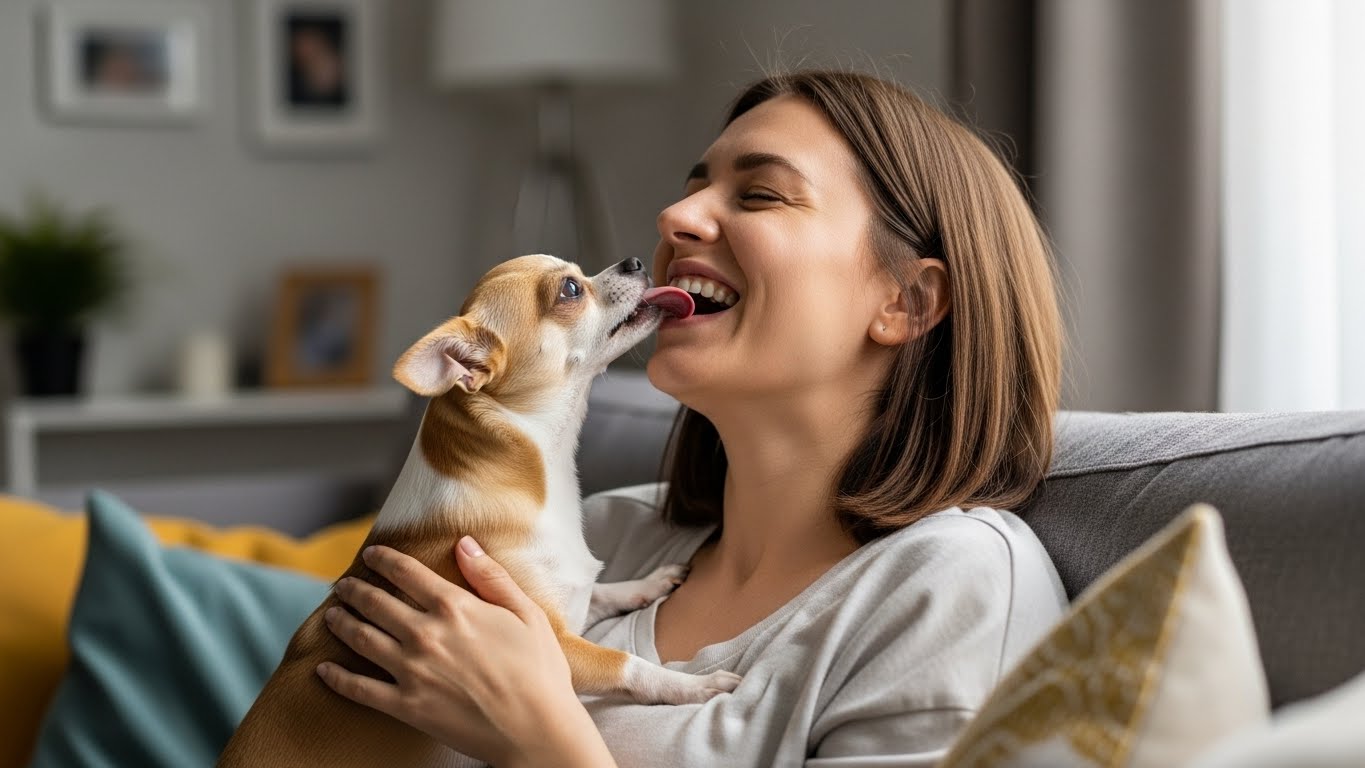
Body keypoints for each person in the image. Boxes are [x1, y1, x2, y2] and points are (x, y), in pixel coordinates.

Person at [314, 69, 1068, 767]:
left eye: (761, 195)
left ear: (904, 302)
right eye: (693, 187)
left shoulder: (951, 589)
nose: (673, 215)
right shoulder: (603, 536)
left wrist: (543, 746)